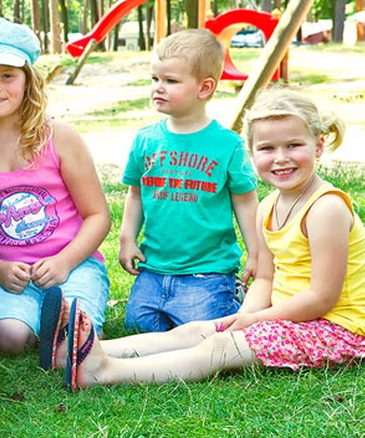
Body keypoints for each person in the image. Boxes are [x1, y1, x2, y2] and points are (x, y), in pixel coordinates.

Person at [70, 89, 365, 390]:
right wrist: (244, 317)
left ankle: (104, 372)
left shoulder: (326, 208)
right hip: (292, 318)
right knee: (198, 330)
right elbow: (265, 278)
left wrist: (256, 320)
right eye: (267, 148)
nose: (280, 159)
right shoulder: (268, 207)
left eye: (293, 146)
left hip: (338, 329)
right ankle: (83, 351)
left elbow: (322, 297)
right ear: (251, 153)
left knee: (220, 347)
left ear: (319, 146)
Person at [0, 16, 111, 374]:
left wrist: (65, 262)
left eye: (7, 76)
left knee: (77, 330)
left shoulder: (60, 138)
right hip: (11, 277)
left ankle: (66, 326)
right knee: (8, 338)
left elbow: (98, 216)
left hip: (73, 266)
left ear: (28, 80)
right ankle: (43, 326)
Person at [119, 29, 259, 333]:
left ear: (204, 87)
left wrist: (257, 252)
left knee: (206, 334)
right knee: (140, 326)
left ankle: (232, 295)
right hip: (154, 269)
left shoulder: (228, 145)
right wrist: (127, 238)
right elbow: (135, 194)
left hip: (207, 272)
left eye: (171, 81)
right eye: (155, 79)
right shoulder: (146, 140)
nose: (159, 88)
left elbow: (245, 201)